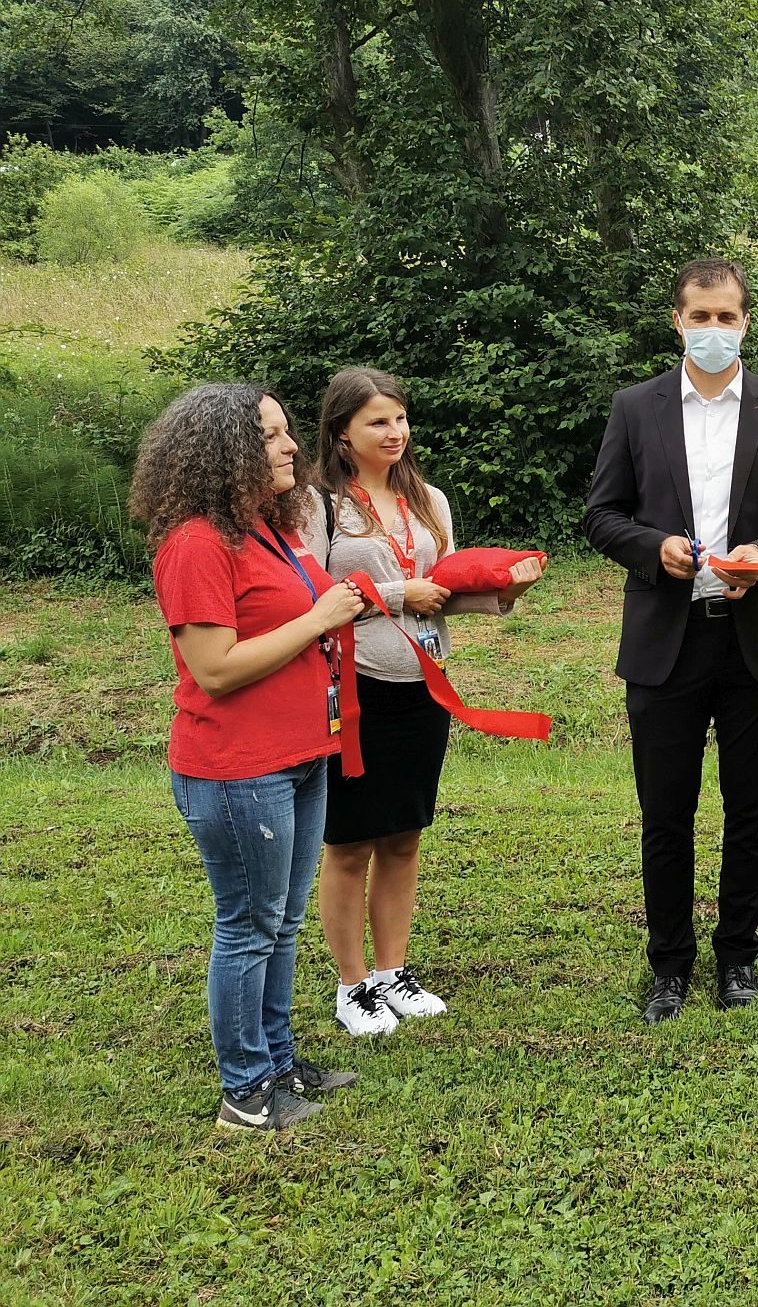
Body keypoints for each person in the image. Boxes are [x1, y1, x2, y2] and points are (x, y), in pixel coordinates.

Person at [585, 258, 758, 1023]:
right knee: (666, 810)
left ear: (746, 322)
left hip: (756, 639)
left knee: (750, 807)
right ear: (677, 321)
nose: (715, 330)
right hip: (667, 638)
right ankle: (669, 964)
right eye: (702, 316)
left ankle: (738, 957)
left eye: (728, 317)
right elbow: (601, 514)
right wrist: (652, 546)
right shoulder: (636, 408)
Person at [130, 383, 365, 1131]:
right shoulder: (196, 543)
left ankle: (279, 1060)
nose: (291, 446)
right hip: (238, 769)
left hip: (300, 755)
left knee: (282, 921)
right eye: (270, 436)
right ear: (224, 452)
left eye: (286, 432)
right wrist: (319, 620)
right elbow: (217, 668)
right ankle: (245, 1093)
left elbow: (326, 601)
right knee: (248, 924)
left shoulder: (265, 529)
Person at [307, 368, 544, 1037]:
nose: (395, 432)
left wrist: (504, 592)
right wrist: (395, 594)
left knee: (405, 836)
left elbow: (444, 594)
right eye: (378, 421)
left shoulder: (429, 501)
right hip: (355, 694)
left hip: (424, 688)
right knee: (350, 842)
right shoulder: (319, 505)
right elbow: (306, 605)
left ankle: (392, 974)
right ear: (341, 431)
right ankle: (352, 986)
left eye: (401, 419)